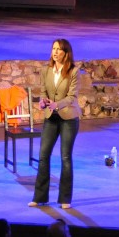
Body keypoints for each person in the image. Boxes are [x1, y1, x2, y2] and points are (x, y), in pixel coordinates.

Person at [30, 38, 80, 209]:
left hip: (68, 118)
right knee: (43, 156)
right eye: (53, 48)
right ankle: (40, 197)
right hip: (50, 117)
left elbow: (72, 96)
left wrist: (57, 104)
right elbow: (44, 90)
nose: (55, 52)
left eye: (59, 49)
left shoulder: (73, 71)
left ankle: (65, 199)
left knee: (65, 157)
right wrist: (43, 102)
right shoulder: (46, 70)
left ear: (66, 53)